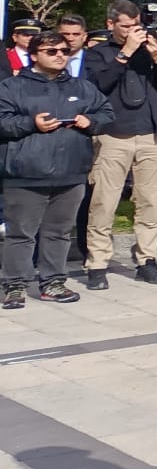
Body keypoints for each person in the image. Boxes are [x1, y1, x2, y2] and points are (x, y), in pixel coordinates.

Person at [0, 32, 112, 306]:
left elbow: (106, 112)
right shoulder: (12, 87)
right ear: (35, 55)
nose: (60, 55)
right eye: (52, 51)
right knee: (20, 234)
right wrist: (30, 123)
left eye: (64, 50)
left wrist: (91, 121)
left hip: (70, 171)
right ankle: (14, 285)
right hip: (25, 173)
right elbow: (3, 121)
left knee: (59, 232)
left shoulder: (81, 87)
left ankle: (53, 282)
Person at [83, 0, 157, 288]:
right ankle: (98, 263)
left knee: (150, 202)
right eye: (125, 26)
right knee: (104, 202)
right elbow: (97, 87)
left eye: (136, 26)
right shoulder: (98, 54)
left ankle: (146, 260)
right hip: (113, 135)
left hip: (152, 134)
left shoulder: (150, 51)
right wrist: (124, 54)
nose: (132, 32)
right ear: (111, 24)